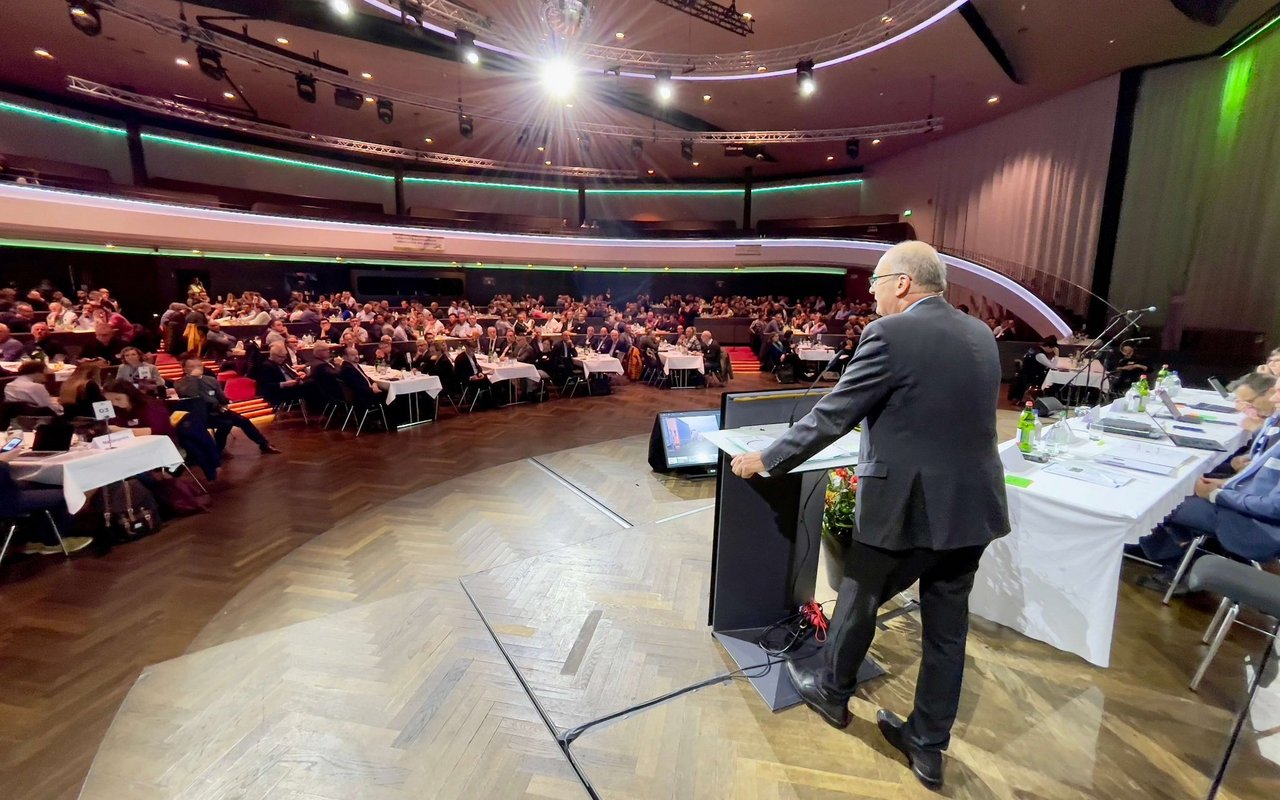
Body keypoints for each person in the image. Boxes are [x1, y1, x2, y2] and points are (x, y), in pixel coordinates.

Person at [729, 241, 1009, 791]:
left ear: (903, 282)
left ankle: (832, 694)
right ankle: (928, 747)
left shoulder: (892, 333)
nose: (872, 293)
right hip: (972, 509)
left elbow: (835, 414)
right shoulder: (979, 333)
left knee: (858, 597)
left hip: (907, 508)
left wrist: (767, 458)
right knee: (948, 633)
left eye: (876, 282)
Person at [102, 379, 221, 481]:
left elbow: (158, 430)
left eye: (117, 399)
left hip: (162, 447)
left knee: (134, 471)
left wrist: (121, 430)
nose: (114, 403)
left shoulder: (150, 405)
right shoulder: (117, 411)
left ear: (129, 394)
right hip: (134, 448)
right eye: (110, 401)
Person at [174, 356, 281, 455]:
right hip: (199, 414)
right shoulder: (180, 383)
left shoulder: (210, 380)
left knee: (242, 420)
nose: (196, 368)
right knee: (226, 424)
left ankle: (264, 444)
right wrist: (193, 378)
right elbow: (191, 393)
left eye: (199, 365)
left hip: (216, 409)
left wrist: (224, 404)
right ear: (185, 369)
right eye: (192, 367)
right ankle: (217, 450)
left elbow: (221, 397)